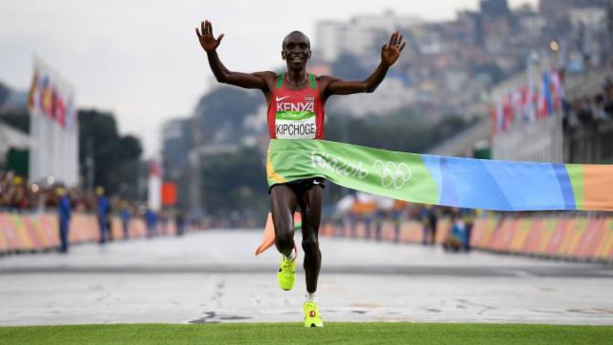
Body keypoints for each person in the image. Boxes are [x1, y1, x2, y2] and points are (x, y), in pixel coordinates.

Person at [195, 19, 405, 327]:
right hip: (280, 170)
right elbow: (225, 76)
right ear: (283, 54)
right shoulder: (270, 82)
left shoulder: (321, 85)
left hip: (313, 168)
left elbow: (366, 86)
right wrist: (212, 53)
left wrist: (383, 65)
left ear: (309, 54)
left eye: (302, 47)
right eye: (291, 47)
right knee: (284, 236)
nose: (296, 51)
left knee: (311, 240)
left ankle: (311, 304)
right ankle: (287, 258)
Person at [57, 187, 71, 253]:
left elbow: (67, 210)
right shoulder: (62, 200)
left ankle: (64, 247)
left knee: (64, 233)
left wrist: (68, 217)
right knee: (62, 233)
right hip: (62, 219)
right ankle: (63, 246)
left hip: (64, 219)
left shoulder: (64, 201)